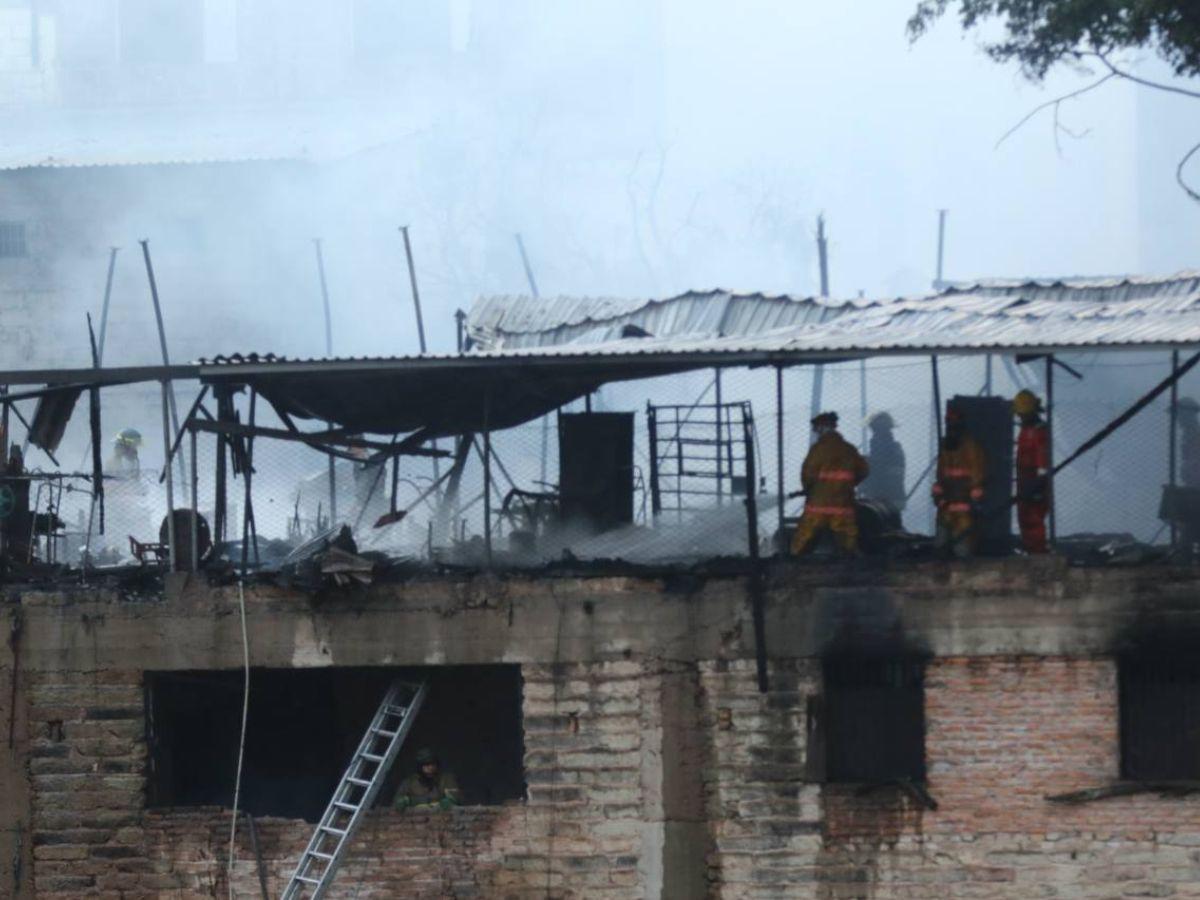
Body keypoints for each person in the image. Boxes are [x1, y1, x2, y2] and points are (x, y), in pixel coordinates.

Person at [791, 412, 869, 556]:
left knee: (806, 534)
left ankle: (795, 561)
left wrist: (808, 488)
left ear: (821, 428)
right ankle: (851, 564)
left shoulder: (818, 449)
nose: (815, 432)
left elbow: (808, 473)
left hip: (819, 502)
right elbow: (863, 470)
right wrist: (849, 484)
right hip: (843, 500)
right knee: (846, 536)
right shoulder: (849, 449)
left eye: (816, 429)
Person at [932, 405, 986, 557]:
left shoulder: (972, 448)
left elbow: (977, 480)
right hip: (946, 509)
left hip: (964, 511)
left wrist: (968, 499)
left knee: (962, 548)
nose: (951, 427)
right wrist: (939, 496)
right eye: (949, 423)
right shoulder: (945, 449)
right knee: (940, 548)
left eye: (954, 423)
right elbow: (940, 477)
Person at [1013, 390, 1050, 554]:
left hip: (1035, 482)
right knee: (1024, 517)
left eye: (1021, 414)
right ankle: (1030, 550)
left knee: (1033, 518)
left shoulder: (1039, 431)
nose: (1019, 417)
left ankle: (1037, 553)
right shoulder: (1026, 429)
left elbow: (1042, 458)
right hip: (1025, 480)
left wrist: (1039, 485)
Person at [860, 412, 906, 514]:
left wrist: (865, 463)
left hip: (882, 499)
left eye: (874, 428)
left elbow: (878, 470)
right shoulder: (895, 448)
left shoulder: (881, 445)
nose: (873, 431)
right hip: (895, 498)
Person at [394, 747, 459, 811]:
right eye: (427, 764)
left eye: (433, 764)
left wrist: (450, 800)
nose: (431, 768)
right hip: (415, 819)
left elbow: (456, 797)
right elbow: (397, 803)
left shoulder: (446, 779)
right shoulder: (409, 782)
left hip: (441, 818)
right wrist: (407, 801)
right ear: (420, 766)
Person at [1176, 397, 1200, 488]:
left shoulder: (1194, 433)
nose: (1178, 418)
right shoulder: (1188, 433)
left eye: (1180, 414)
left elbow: (1194, 459)